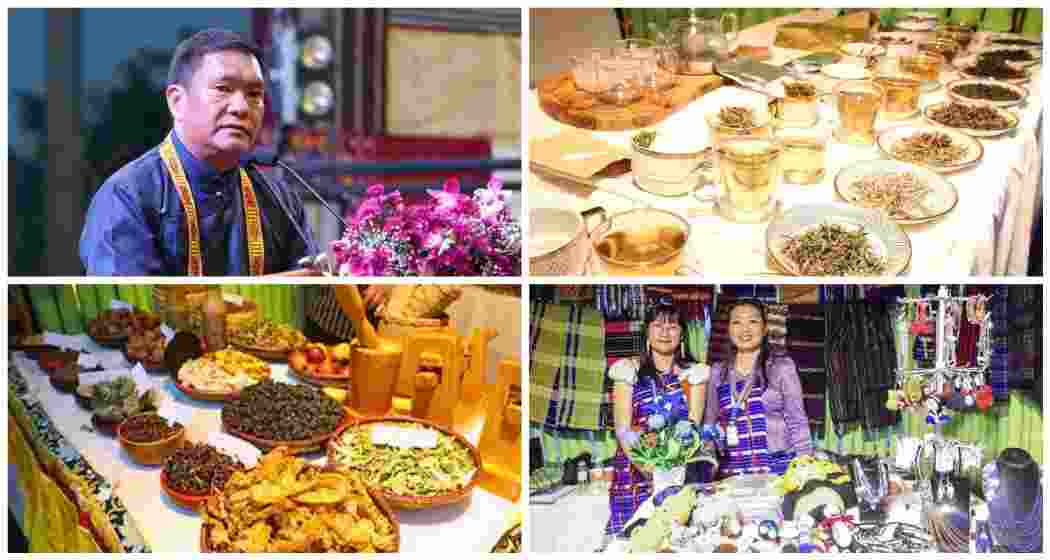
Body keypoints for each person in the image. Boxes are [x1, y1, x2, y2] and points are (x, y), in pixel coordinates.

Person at [79, 29, 316, 275]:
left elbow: (311, 297)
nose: (241, 108)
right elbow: (129, 308)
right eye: (223, 89)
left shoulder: (279, 197)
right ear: (176, 101)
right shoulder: (128, 195)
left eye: (254, 94)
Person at [605, 301, 708, 537]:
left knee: (676, 539)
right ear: (647, 333)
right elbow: (623, 430)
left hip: (679, 474)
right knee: (635, 540)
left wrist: (670, 476)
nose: (664, 332)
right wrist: (649, 470)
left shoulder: (695, 373)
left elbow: (692, 429)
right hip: (634, 475)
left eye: (672, 326)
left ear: (682, 333)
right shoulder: (628, 370)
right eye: (657, 325)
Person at [703, 299, 812, 477]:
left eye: (753, 321)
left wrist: (806, 467)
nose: (745, 329)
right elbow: (710, 423)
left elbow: (798, 422)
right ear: (729, 329)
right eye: (737, 322)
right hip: (732, 475)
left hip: (777, 471)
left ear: (765, 328)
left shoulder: (781, 367)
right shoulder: (718, 372)